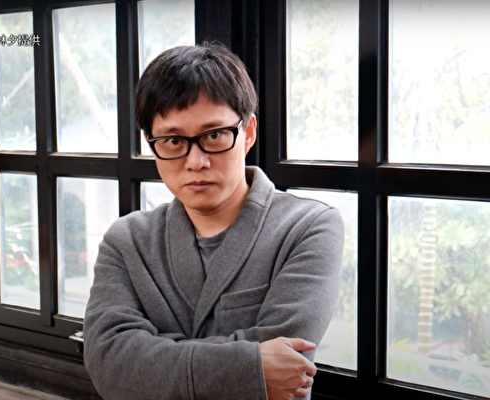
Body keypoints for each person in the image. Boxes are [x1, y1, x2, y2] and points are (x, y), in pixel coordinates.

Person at [83, 43, 343, 400]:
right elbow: (110, 364)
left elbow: (288, 365)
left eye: (214, 135)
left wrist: (155, 361)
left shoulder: (308, 228)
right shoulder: (127, 240)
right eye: (173, 140)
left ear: (247, 132)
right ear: (151, 143)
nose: (196, 162)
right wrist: (250, 367)